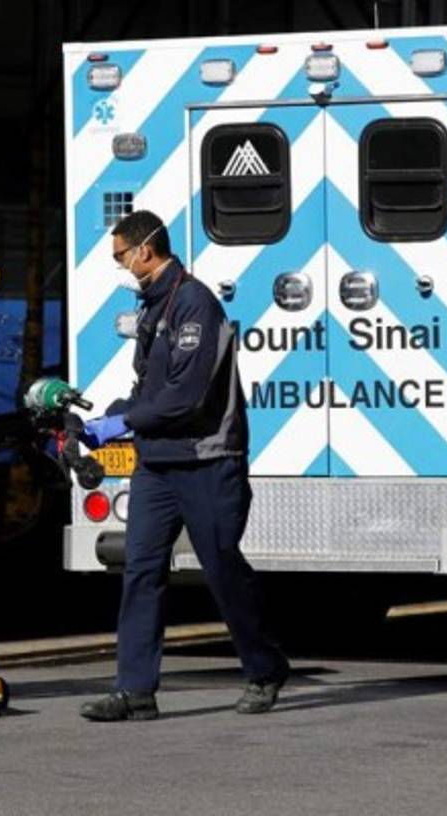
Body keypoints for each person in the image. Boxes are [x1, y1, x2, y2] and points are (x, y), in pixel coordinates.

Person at [78, 210, 289, 722]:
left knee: (220, 567)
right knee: (141, 570)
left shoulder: (195, 305)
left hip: (205, 461)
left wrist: (123, 424)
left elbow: (186, 397)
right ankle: (135, 691)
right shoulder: (153, 307)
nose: (122, 266)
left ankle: (264, 668)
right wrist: (106, 418)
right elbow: (150, 387)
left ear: (145, 250)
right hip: (157, 464)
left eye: (121, 256)